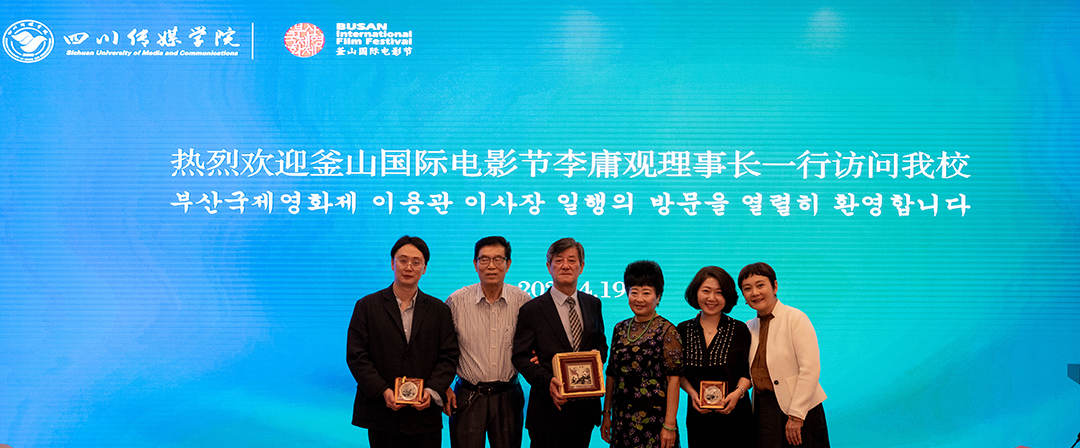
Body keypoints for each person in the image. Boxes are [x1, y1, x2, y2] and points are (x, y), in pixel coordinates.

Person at [346, 236, 459, 448]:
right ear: (392, 263)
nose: (409, 267)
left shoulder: (439, 310)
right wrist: (383, 391)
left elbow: (449, 356)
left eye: (416, 262)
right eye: (403, 260)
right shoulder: (367, 306)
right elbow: (357, 356)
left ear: (424, 268)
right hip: (382, 412)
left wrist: (432, 390)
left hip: (424, 416)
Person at [512, 237, 608, 448]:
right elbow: (520, 356)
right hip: (548, 411)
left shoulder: (593, 304)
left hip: (584, 411)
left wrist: (595, 361)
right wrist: (548, 383)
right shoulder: (532, 310)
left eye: (572, 260)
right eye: (559, 260)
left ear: (581, 267)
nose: (565, 265)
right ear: (549, 267)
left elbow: (601, 344)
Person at [443, 236, 532, 448]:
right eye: (484, 260)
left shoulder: (523, 301)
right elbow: (442, 349)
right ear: (475, 264)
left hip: (508, 395)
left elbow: (533, 345)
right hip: (467, 395)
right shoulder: (457, 301)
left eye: (498, 259)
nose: (491, 266)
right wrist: (443, 386)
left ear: (508, 264)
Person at [739, 262, 829, 448]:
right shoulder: (749, 326)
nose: (755, 293)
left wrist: (796, 415)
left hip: (800, 408)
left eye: (760, 285)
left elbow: (810, 369)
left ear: (775, 286)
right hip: (764, 410)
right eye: (747, 288)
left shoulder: (795, 318)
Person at [600, 260, 682, 448]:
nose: (639, 299)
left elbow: (674, 380)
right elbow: (611, 374)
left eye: (646, 293)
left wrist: (669, 425)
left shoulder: (667, 331)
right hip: (622, 419)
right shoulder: (620, 328)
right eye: (634, 292)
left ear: (658, 297)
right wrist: (606, 414)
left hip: (655, 420)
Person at [676, 266, 753, 448]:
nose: (712, 298)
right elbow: (679, 373)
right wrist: (692, 393)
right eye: (706, 291)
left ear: (727, 296)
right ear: (696, 293)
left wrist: (737, 394)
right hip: (698, 419)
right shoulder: (682, 330)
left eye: (719, 292)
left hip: (736, 416)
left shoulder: (740, 329)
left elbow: (749, 372)